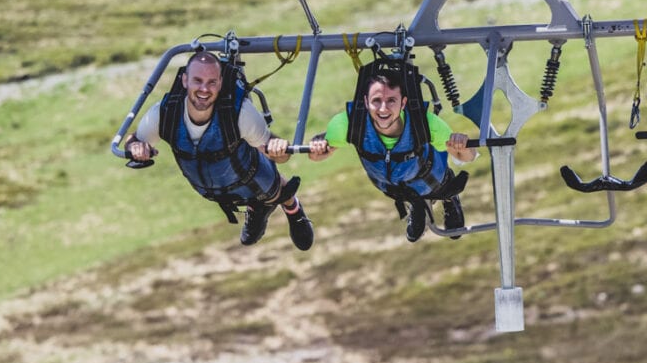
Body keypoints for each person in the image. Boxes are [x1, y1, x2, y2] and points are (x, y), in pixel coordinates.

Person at [125, 51, 313, 250]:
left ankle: (292, 208)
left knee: (275, 191)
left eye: (212, 82)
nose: (204, 89)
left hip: (251, 176)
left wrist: (279, 149)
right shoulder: (164, 113)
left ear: (220, 83)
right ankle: (257, 208)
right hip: (209, 187)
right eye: (198, 80)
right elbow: (134, 140)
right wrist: (135, 147)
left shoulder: (240, 113)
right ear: (184, 80)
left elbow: (278, 154)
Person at [306, 60, 478, 242]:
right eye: (376, 101)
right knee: (407, 191)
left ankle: (450, 199)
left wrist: (463, 146)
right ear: (365, 101)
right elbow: (317, 156)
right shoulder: (347, 124)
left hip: (431, 179)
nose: (383, 109)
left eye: (391, 101)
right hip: (391, 186)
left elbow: (467, 157)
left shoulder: (427, 124)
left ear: (403, 103)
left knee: (439, 185)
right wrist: (316, 147)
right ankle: (416, 204)